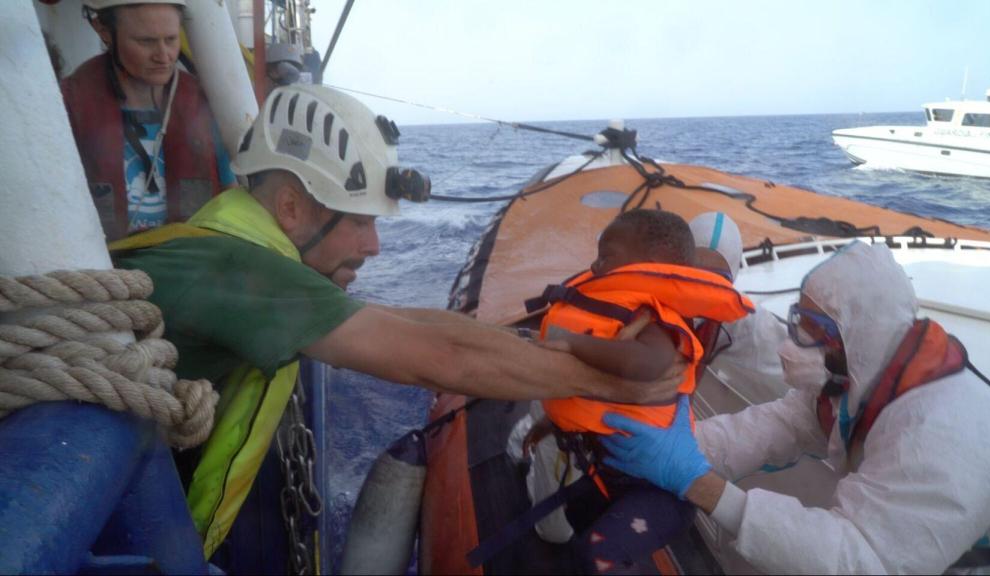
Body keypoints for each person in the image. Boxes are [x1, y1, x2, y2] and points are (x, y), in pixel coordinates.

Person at [110, 84, 682, 558]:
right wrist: (620, 386)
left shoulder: (246, 247)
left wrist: (548, 346)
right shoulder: (239, 269)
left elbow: (416, 323)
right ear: (291, 207)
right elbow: (439, 359)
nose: (375, 245)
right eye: (360, 222)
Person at [600, 241, 990, 574]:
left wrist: (702, 486)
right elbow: (779, 425)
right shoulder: (860, 376)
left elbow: (863, 558)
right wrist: (675, 445)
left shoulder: (946, 433)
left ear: (861, 335)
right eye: (799, 321)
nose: (794, 344)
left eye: (817, 329)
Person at [512, 210, 753, 572]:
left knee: (594, 555)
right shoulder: (627, 312)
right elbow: (597, 392)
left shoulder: (656, 323)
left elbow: (651, 362)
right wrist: (549, 422)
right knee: (577, 520)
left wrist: (575, 344)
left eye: (711, 277)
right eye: (693, 270)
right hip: (608, 466)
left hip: (657, 489)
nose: (696, 280)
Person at [62, 0, 235, 241]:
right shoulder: (71, 103)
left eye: (171, 39)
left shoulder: (203, 103)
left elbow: (231, 192)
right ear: (103, 30)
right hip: (104, 260)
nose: (163, 56)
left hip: (191, 255)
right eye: (145, 41)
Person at [689, 211, 788, 403]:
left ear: (732, 280)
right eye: (694, 276)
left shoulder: (750, 325)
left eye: (717, 281)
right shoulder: (651, 307)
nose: (703, 289)